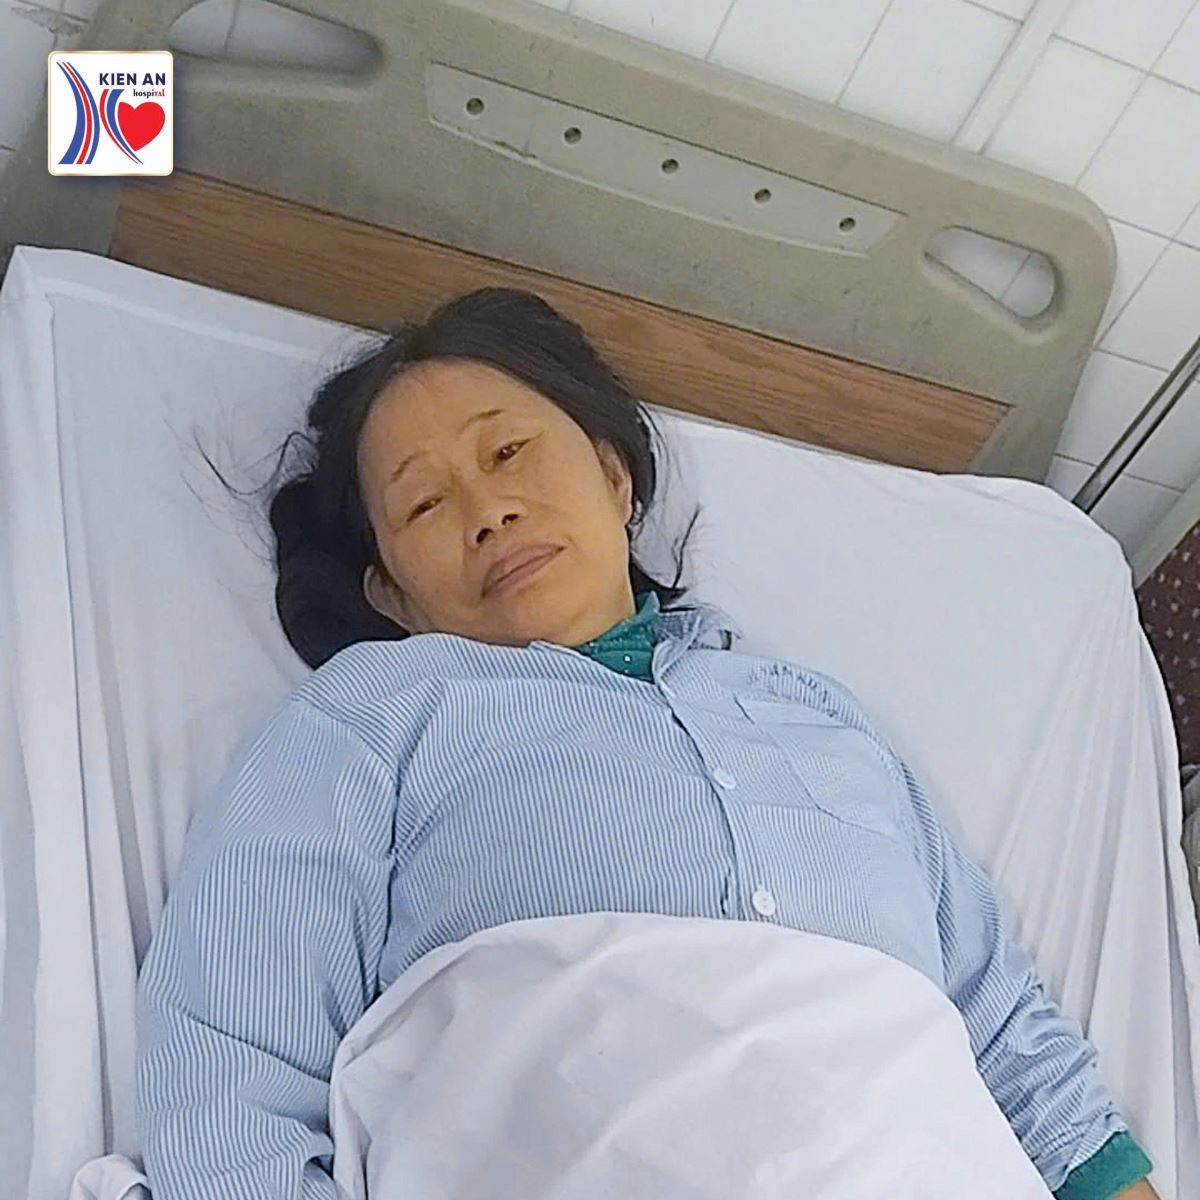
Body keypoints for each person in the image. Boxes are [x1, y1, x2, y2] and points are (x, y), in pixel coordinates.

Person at [135, 288, 1156, 1200]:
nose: (489, 511)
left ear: (616, 479)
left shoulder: (816, 715)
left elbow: (1001, 1025)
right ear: (390, 595)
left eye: (508, 453)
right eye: (425, 503)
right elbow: (226, 1065)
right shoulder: (375, 714)